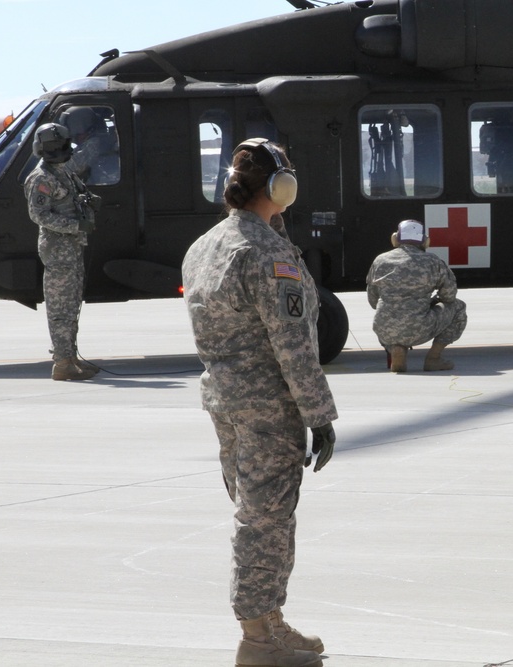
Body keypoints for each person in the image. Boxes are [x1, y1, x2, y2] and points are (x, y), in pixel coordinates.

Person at [181, 138, 337, 667]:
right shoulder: (266, 254)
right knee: (265, 520)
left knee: (260, 514)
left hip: (226, 401)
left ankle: (268, 618)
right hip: (270, 406)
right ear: (279, 187)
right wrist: (320, 416)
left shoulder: (204, 246)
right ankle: (257, 636)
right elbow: (293, 346)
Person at [24, 122, 100, 381]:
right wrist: (74, 225)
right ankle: (62, 362)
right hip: (58, 249)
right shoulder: (42, 177)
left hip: (71, 247)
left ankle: (70, 358)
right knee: (60, 308)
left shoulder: (61, 171)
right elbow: (39, 214)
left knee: (71, 305)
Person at [366, 219, 467, 372]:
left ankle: (396, 349)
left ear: (395, 239)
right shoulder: (433, 261)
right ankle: (434, 359)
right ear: (425, 241)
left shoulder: (380, 260)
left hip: (384, 329)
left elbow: (373, 300)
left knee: (386, 313)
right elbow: (449, 296)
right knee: (458, 307)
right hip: (420, 329)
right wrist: (431, 301)